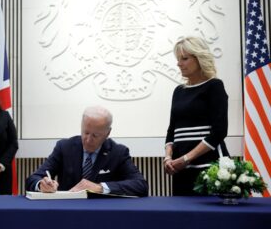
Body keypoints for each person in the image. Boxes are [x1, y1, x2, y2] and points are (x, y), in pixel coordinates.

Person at [26, 106, 148, 197]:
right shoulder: (64, 147)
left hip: (104, 214)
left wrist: (99, 187)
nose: (88, 140)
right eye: (86, 132)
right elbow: (33, 179)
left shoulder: (118, 152)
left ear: (107, 133)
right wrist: (41, 184)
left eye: (95, 135)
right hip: (67, 211)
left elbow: (141, 185)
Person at [164, 36, 230, 196]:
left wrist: (187, 158)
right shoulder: (178, 91)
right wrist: (168, 158)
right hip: (180, 168)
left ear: (199, 58)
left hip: (209, 167)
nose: (179, 64)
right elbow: (172, 130)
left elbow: (219, 132)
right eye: (178, 59)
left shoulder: (214, 86)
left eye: (184, 58)